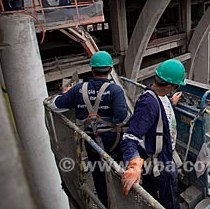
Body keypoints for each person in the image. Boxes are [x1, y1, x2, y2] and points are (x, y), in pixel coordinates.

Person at [50, 51, 130, 207]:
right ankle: (123, 200)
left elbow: (55, 105)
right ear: (110, 69)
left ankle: (104, 203)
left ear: (91, 70)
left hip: (91, 141)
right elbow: (122, 119)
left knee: (98, 173)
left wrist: (65, 94)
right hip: (113, 141)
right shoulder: (115, 91)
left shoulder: (79, 89)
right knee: (118, 169)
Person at [121, 59, 185, 209]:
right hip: (160, 163)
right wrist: (133, 165)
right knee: (168, 198)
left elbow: (159, 109)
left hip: (161, 157)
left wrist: (171, 101)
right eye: (176, 87)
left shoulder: (156, 94)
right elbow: (129, 137)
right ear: (170, 86)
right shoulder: (148, 104)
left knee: (152, 195)